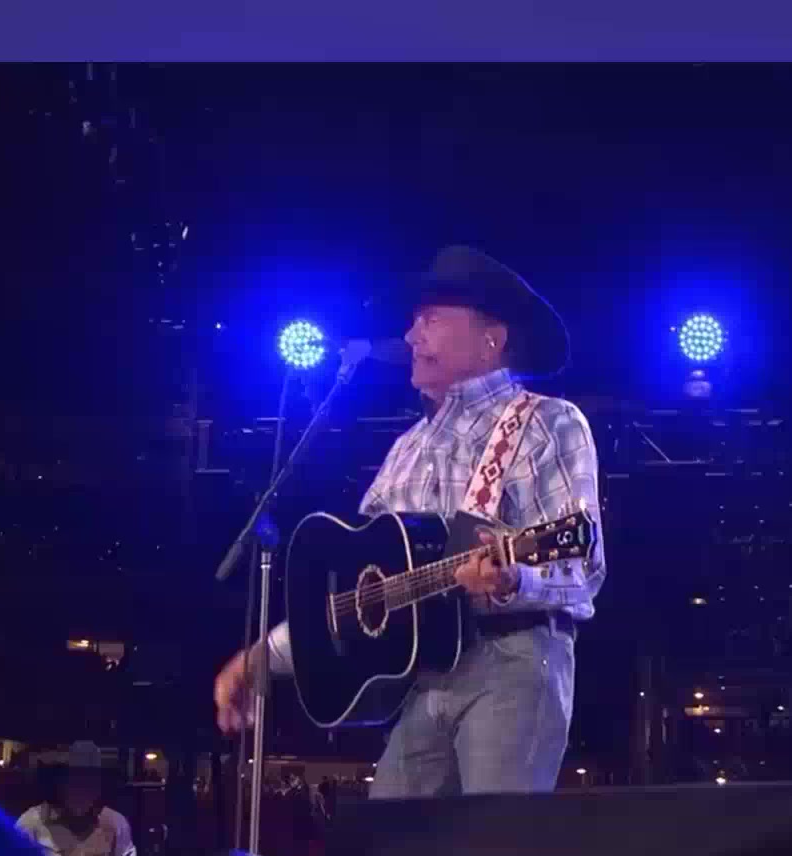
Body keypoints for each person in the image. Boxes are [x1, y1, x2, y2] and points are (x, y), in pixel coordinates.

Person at [213, 246, 606, 798]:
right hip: (423, 681)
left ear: (491, 338)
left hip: (514, 661)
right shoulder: (405, 450)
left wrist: (513, 579)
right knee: (387, 845)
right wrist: (262, 657)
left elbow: (583, 563)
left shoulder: (547, 421)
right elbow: (353, 598)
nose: (411, 336)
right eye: (413, 321)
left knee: (494, 846)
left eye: (431, 319)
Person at [15, 741, 138, 856]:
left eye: (91, 781)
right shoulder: (30, 824)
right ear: (60, 783)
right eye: (76, 779)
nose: (83, 788)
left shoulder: (116, 823)